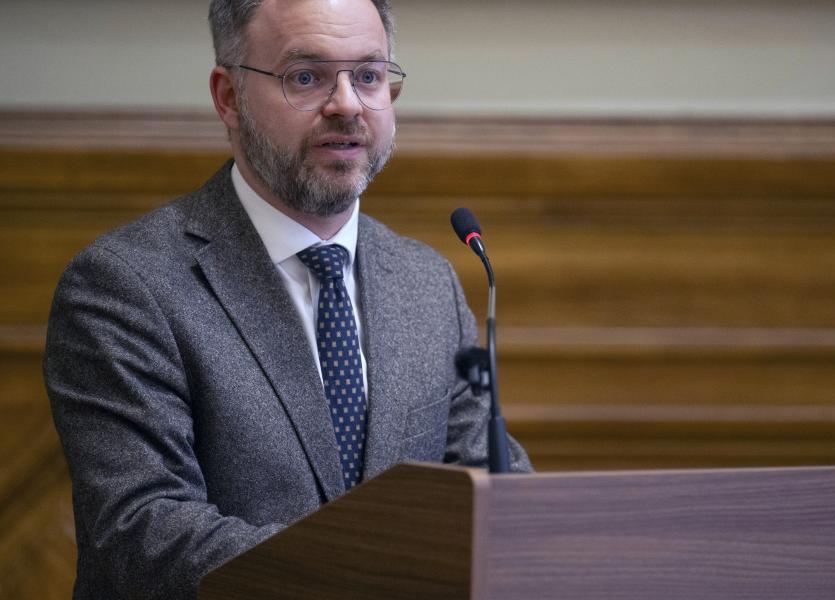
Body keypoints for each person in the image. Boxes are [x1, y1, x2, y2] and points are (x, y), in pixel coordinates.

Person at [43, 0, 531, 598]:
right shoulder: (124, 286)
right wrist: (376, 575)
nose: (347, 104)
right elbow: (143, 533)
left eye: (369, 75)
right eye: (306, 77)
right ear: (229, 98)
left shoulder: (426, 281)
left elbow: (489, 487)